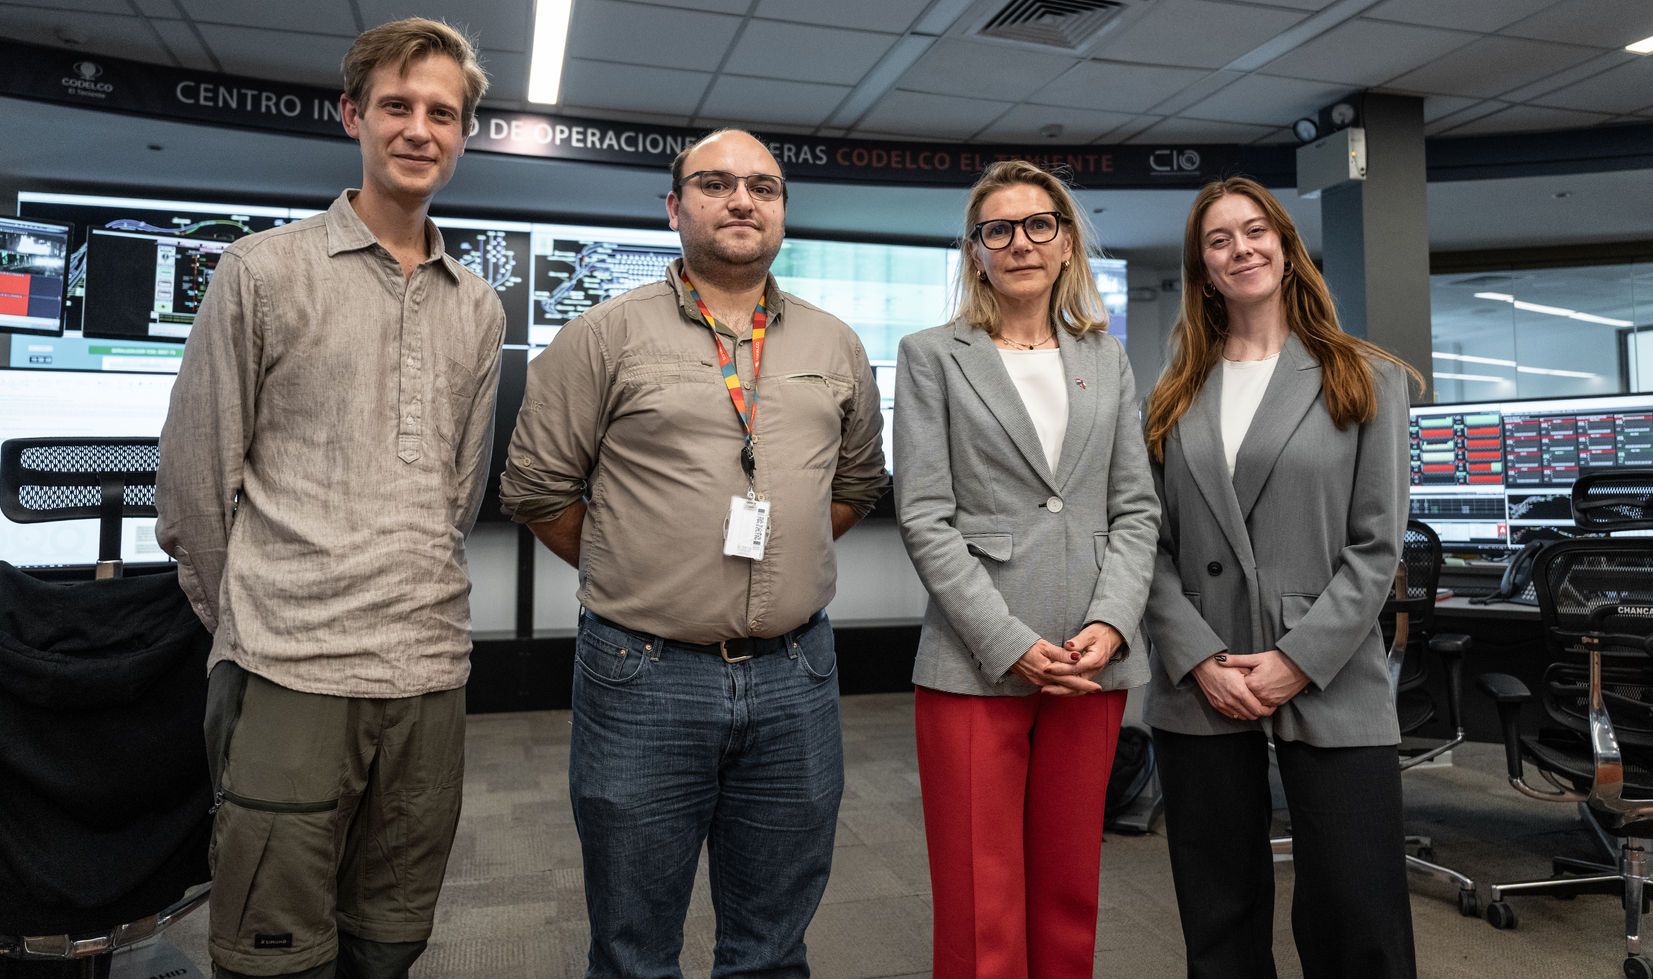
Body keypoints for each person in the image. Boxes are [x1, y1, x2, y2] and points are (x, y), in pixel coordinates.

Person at [156, 18, 505, 979]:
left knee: (390, 938)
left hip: (429, 667)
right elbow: (192, 481)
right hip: (290, 670)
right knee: (274, 953)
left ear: (464, 134)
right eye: (397, 105)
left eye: (443, 113)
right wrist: (253, 617)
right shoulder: (263, 272)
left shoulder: (478, 304)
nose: (419, 129)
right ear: (353, 114)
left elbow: (458, 490)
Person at [498, 127, 891, 978]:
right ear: (675, 207)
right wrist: (632, 564)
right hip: (643, 675)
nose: (743, 200)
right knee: (635, 949)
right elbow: (535, 491)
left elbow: (858, 484)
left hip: (798, 677)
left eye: (764, 186)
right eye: (715, 183)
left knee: (772, 947)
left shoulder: (835, 344)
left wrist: (784, 555)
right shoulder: (603, 336)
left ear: (783, 209)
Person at [1141, 176, 1421, 979]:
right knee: (1218, 917)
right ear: (1203, 268)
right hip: (1205, 678)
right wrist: (1197, 655)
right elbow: (1148, 547)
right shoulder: (1172, 395)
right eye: (1219, 239)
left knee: (1356, 912)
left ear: (1287, 248)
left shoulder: (1366, 377)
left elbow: (1377, 548)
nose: (1241, 249)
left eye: (1256, 231)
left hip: (1328, 674)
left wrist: (1297, 660)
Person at [893, 159, 1160, 979]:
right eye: (998, 229)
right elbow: (925, 517)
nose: (1020, 242)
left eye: (1039, 224)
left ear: (1067, 240)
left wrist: (1111, 625)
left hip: (1091, 658)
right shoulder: (933, 355)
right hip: (977, 659)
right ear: (975, 250)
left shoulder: (1104, 357)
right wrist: (1006, 641)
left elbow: (1136, 509)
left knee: (1070, 884)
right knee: (981, 897)